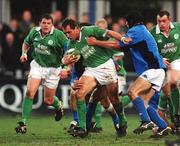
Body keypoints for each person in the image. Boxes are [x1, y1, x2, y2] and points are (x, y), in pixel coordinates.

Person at [87, 11, 172, 138]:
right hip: (158, 70)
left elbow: (117, 45)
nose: (126, 24)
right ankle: (164, 127)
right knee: (144, 103)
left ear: (131, 21)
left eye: (127, 22)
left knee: (132, 92)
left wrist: (95, 42)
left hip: (152, 70)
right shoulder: (142, 30)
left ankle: (146, 121)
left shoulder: (136, 30)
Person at [61, 18, 130, 138]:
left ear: (76, 28)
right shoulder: (71, 44)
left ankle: (122, 120)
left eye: (69, 32)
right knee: (79, 94)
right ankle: (82, 128)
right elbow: (68, 61)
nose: (68, 35)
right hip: (91, 70)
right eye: (65, 33)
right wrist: (64, 61)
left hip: (106, 67)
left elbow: (109, 33)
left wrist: (123, 38)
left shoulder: (89, 31)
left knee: (114, 100)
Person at [15, 14, 68, 134]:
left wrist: (66, 67)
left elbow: (69, 50)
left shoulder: (59, 35)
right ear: (40, 23)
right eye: (44, 23)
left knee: (48, 100)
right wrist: (24, 53)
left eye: (48, 23)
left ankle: (58, 105)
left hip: (53, 69)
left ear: (52, 24)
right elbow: (26, 42)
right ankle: (23, 123)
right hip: (37, 66)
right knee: (29, 92)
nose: (46, 25)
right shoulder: (34, 31)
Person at [151, 10, 180, 133]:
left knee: (173, 82)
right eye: (159, 21)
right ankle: (173, 124)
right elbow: (148, 49)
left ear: (169, 20)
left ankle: (176, 116)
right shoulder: (152, 32)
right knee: (167, 93)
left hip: (177, 61)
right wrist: (160, 58)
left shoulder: (178, 27)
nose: (161, 24)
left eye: (164, 21)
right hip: (161, 67)